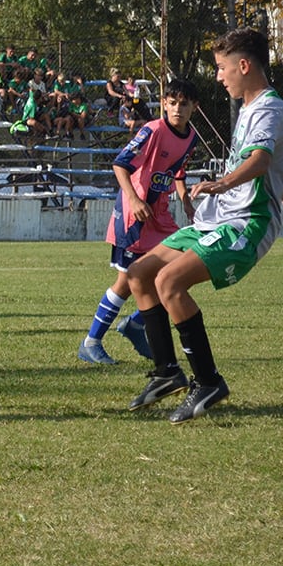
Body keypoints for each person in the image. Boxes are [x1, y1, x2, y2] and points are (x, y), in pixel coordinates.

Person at [125, 27, 283, 423]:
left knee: (169, 283)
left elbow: (260, 161)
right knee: (139, 275)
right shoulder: (251, 109)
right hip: (218, 219)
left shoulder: (269, 107)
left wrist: (222, 183)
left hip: (246, 224)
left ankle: (208, 381)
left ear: (244, 65)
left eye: (222, 67)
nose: (219, 76)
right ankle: (166, 371)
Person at [78, 77, 201, 365]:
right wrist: (134, 199)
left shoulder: (191, 137)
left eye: (184, 104)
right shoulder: (153, 130)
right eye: (172, 104)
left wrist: (185, 199)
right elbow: (120, 164)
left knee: (184, 267)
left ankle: (136, 323)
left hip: (160, 215)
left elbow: (178, 172)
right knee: (126, 281)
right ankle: (91, 342)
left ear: (194, 107)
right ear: (164, 104)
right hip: (135, 216)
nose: (177, 110)